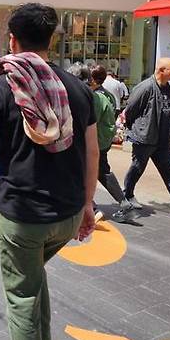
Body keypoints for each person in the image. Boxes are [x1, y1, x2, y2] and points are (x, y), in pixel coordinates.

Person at [0, 3, 98, 340]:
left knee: (22, 296)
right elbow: (92, 152)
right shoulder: (76, 87)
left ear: (12, 41)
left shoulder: (2, 87)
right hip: (69, 214)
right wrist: (88, 204)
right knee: (31, 278)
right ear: (51, 41)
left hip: (23, 219)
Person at [121, 57, 170, 217]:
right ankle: (126, 195)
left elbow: (168, 112)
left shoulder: (167, 88)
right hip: (144, 139)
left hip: (162, 141)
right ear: (162, 70)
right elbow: (130, 111)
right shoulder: (145, 88)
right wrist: (136, 130)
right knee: (137, 168)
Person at [69, 64, 133, 222]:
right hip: (103, 139)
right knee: (101, 171)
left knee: (79, 170)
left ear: (93, 80)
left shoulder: (95, 97)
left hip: (94, 141)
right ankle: (123, 203)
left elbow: (88, 122)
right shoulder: (107, 95)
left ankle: (92, 206)